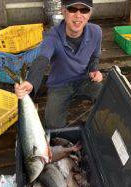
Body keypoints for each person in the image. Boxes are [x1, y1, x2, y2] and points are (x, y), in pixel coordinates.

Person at [15, 0, 103, 129]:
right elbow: (42, 59)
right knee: (53, 125)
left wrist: (94, 70)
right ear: (63, 11)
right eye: (72, 9)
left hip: (84, 79)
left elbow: (95, 56)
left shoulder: (96, 31)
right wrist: (30, 82)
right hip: (59, 85)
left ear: (89, 14)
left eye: (84, 10)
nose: (78, 15)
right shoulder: (52, 36)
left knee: (109, 99)